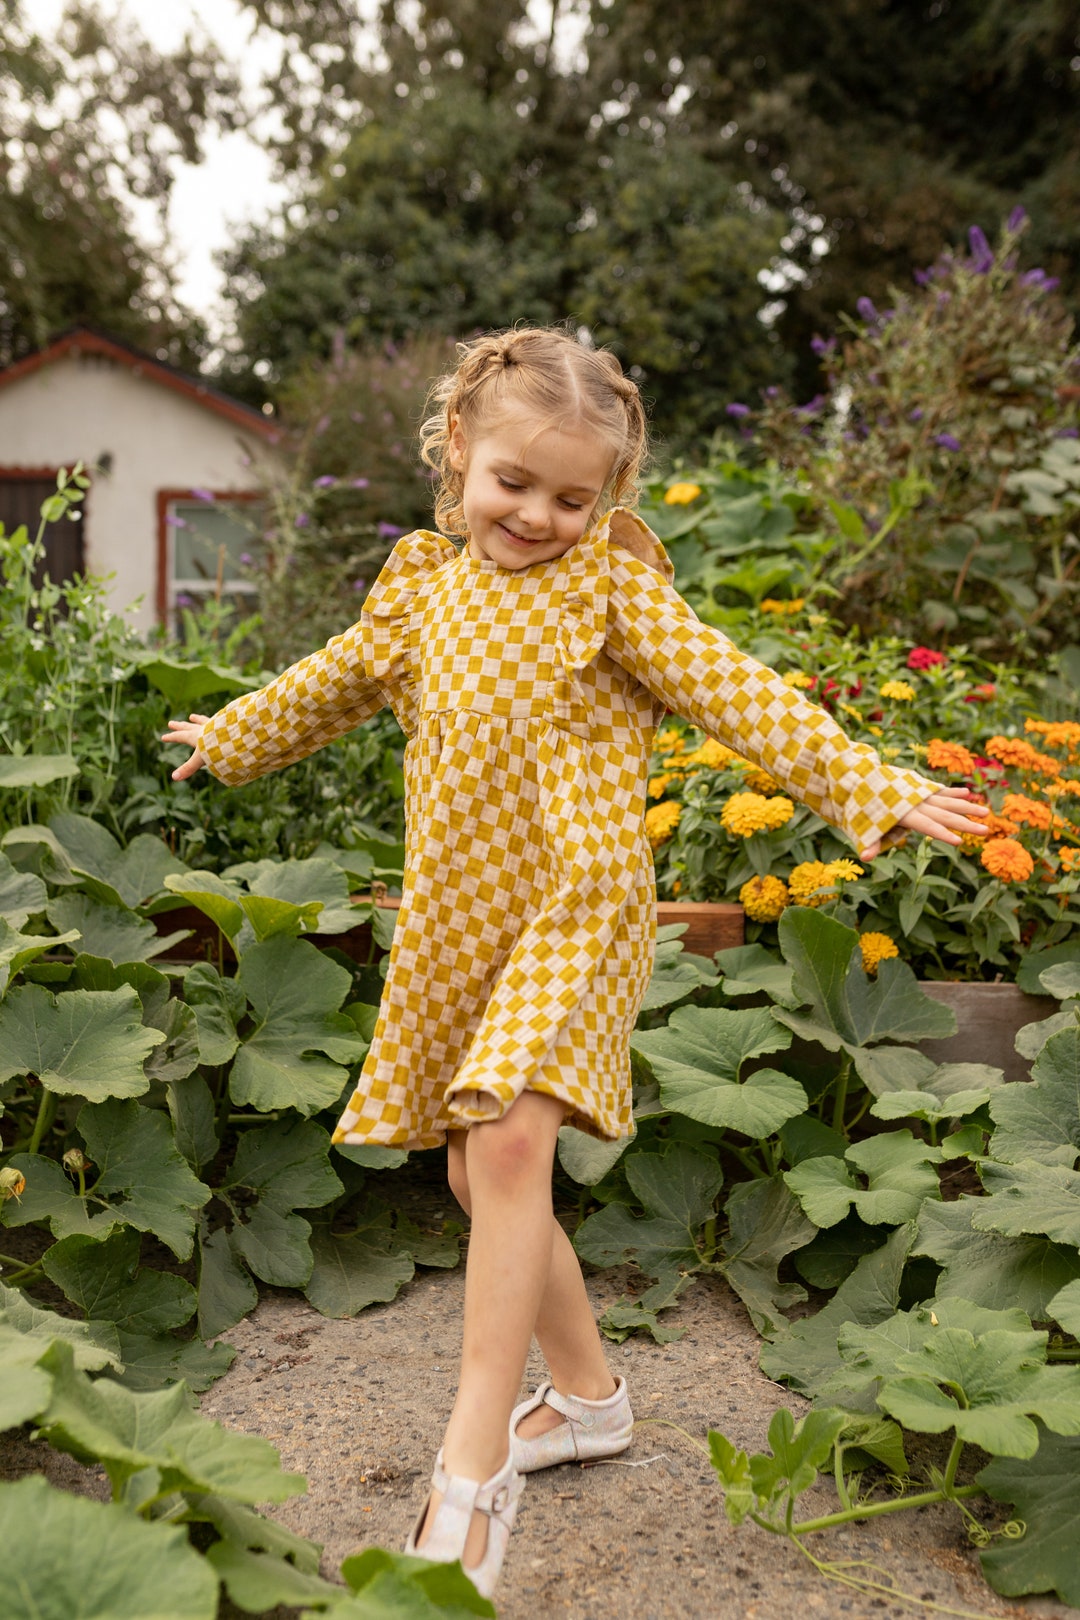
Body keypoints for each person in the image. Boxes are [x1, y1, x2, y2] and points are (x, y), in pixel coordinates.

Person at [163, 326, 987, 1597]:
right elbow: (330, 682)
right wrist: (230, 734)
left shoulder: (611, 591)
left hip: (577, 910)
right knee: (472, 1169)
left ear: (607, 495)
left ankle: (472, 1467)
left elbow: (736, 690)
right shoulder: (421, 591)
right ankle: (592, 1399)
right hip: (460, 921)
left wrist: (866, 784)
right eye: (514, 482)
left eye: (571, 496)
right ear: (459, 450)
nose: (538, 517)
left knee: (504, 1146)